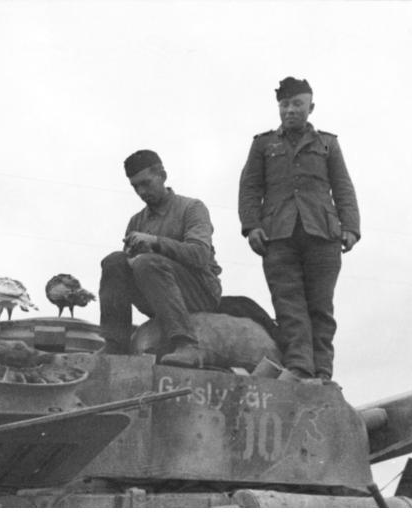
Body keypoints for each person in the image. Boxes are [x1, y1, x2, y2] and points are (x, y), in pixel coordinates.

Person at [238, 77, 360, 383]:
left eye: (297, 104)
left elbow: (343, 187)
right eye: (284, 104)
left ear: (310, 107)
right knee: (288, 305)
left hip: (323, 234)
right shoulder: (263, 144)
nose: (290, 110)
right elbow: (250, 188)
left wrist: (351, 228)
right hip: (277, 237)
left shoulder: (327, 144)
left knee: (321, 307)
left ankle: (322, 373)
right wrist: (251, 226)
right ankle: (299, 368)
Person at [98, 150, 222, 367]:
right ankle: (115, 344)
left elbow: (200, 255)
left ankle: (187, 344)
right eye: (135, 186)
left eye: (145, 183)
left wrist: (155, 242)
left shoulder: (192, 208)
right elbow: (125, 271)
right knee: (114, 261)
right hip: (156, 293)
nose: (141, 191)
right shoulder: (136, 221)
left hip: (199, 292)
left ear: (162, 175)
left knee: (147, 262)